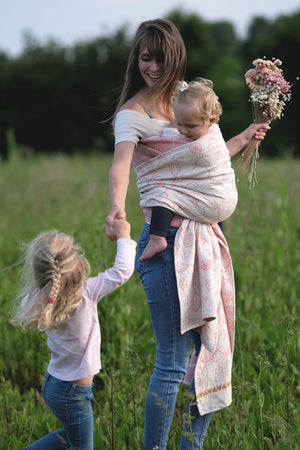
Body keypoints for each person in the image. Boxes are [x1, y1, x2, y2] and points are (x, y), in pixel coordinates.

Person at [105, 19, 270, 450]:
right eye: (145, 57)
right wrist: (117, 207)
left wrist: (244, 137)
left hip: (206, 240)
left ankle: (191, 446)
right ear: (136, 59)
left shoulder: (189, 98)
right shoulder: (132, 114)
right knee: (174, 363)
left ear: (176, 56)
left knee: (210, 353)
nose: (153, 67)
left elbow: (208, 158)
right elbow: (122, 164)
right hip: (167, 243)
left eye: (161, 57)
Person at [10, 221, 136, 450]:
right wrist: (124, 236)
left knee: (71, 438)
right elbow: (122, 271)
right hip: (73, 395)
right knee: (81, 445)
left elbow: (39, 294)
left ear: (41, 275)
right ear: (80, 266)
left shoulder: (40, 300)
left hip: (54, 384)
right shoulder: (87, 294)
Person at [138, 77, 237, 262]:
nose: (183, 131)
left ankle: (156, 237)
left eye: (191, 126)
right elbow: (166, 144)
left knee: (163, 193)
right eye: (180, 123)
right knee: (165, 188)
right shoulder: (175, 129)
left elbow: (220, 158)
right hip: (210, 207)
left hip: (211, 196)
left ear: (212, 120)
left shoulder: (212, 138)